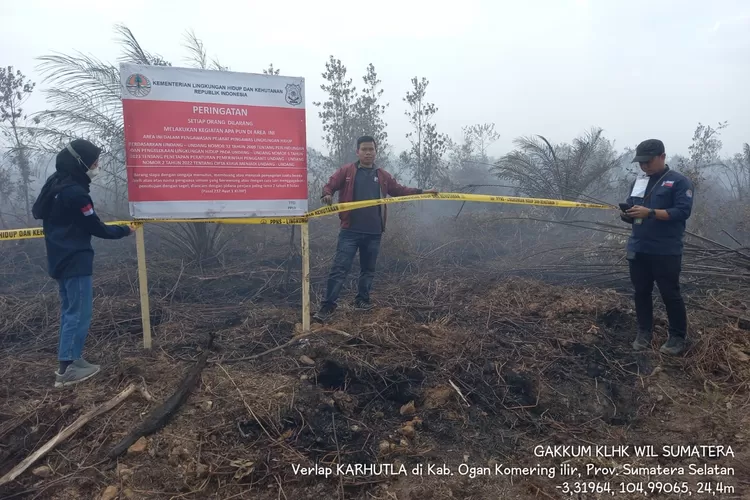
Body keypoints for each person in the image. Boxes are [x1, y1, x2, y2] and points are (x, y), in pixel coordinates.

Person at [32, 139, 135, 388]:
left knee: (71, 312)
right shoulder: (75, 193)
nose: (96, 167)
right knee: (79, 314)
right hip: (75, 259)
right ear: (80, 163)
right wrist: (124, 230)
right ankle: (67, 369)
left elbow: (38, 211)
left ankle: (70, 360)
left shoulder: (55, 184)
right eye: (94, 163)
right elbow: (95, 226)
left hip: (58, 257)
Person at [313, 136, 437, 322]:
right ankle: (327, 307)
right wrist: (326, 195)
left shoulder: (382, 175)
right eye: (364, 149)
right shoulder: (347, 171)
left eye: (371, 149)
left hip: (374, 232)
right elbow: (329, 186)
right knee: (339, 269)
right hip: (350, 231)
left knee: (368, 269)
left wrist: (423, 192)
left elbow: (399, 190)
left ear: (376, 152)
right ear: (358, 152)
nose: (368, 152)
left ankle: (362, 301)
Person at [620, 139, 693, 355]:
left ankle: (677, 337)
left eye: (648, 161)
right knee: (641, 292)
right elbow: (633, 210)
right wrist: (627, 214)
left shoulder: (679, 182)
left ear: (662, 156)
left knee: (670, 293)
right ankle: (644, 332)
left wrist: (650, 213)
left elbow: (682, 212)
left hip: (665, 250)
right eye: (641, 163)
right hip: (638, 246)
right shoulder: (639, 182)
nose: (644, 166)